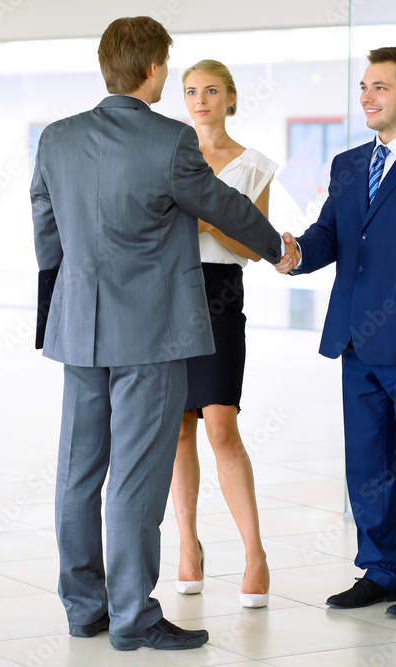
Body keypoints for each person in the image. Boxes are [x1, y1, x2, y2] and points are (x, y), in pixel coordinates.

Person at [31, 17, 291, 652]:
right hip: (150, 334)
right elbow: (221, 204)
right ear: (152, 69)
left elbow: (45, 225)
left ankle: (84, 608)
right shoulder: (170, 139)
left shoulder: (57, 139)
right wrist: (275, 246)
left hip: (78, 327)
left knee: (78, 471)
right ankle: (133, 617)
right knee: (136, 477)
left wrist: (53, 309)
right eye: (168, 67)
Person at [275, 46, 396, 620]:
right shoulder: (347, 163)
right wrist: (296, 254)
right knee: (367, 466)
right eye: (364, 86)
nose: (367, 96)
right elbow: (331, 236)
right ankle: (381, 571)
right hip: (355, 340)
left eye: (380, 87)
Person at [170, 59, 275, 609]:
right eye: (191, 91)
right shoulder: (168, 157)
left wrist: (210, 221)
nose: (200, 100)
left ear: (230, 98)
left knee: (221, 427)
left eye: (211, 90)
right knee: (177, 430)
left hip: (219, 294)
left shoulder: (253, 166)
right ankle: (187, 545)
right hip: (169, 294)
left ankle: (255, 553)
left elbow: (254, 246)